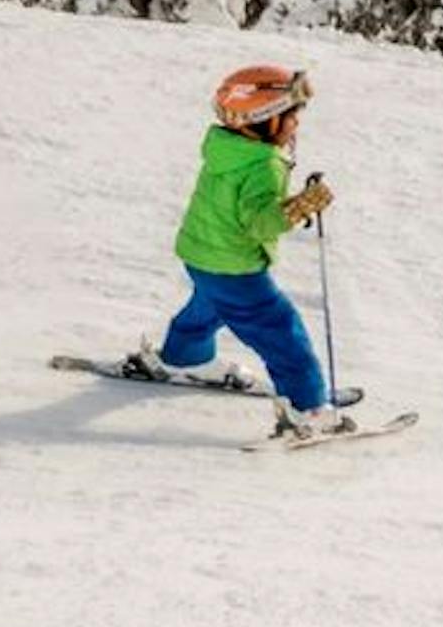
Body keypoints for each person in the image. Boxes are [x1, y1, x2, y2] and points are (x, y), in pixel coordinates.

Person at [130, 64, 349, 440]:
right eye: (291, 115)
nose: (296, 124)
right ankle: (307, 407)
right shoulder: (262, 163)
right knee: (279, 330)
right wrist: (299, 207)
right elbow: (259, 222)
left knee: (209, 307)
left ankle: (186, 357)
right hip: (233, 265)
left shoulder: (226, 147)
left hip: (201, 253)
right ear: (264, 118)